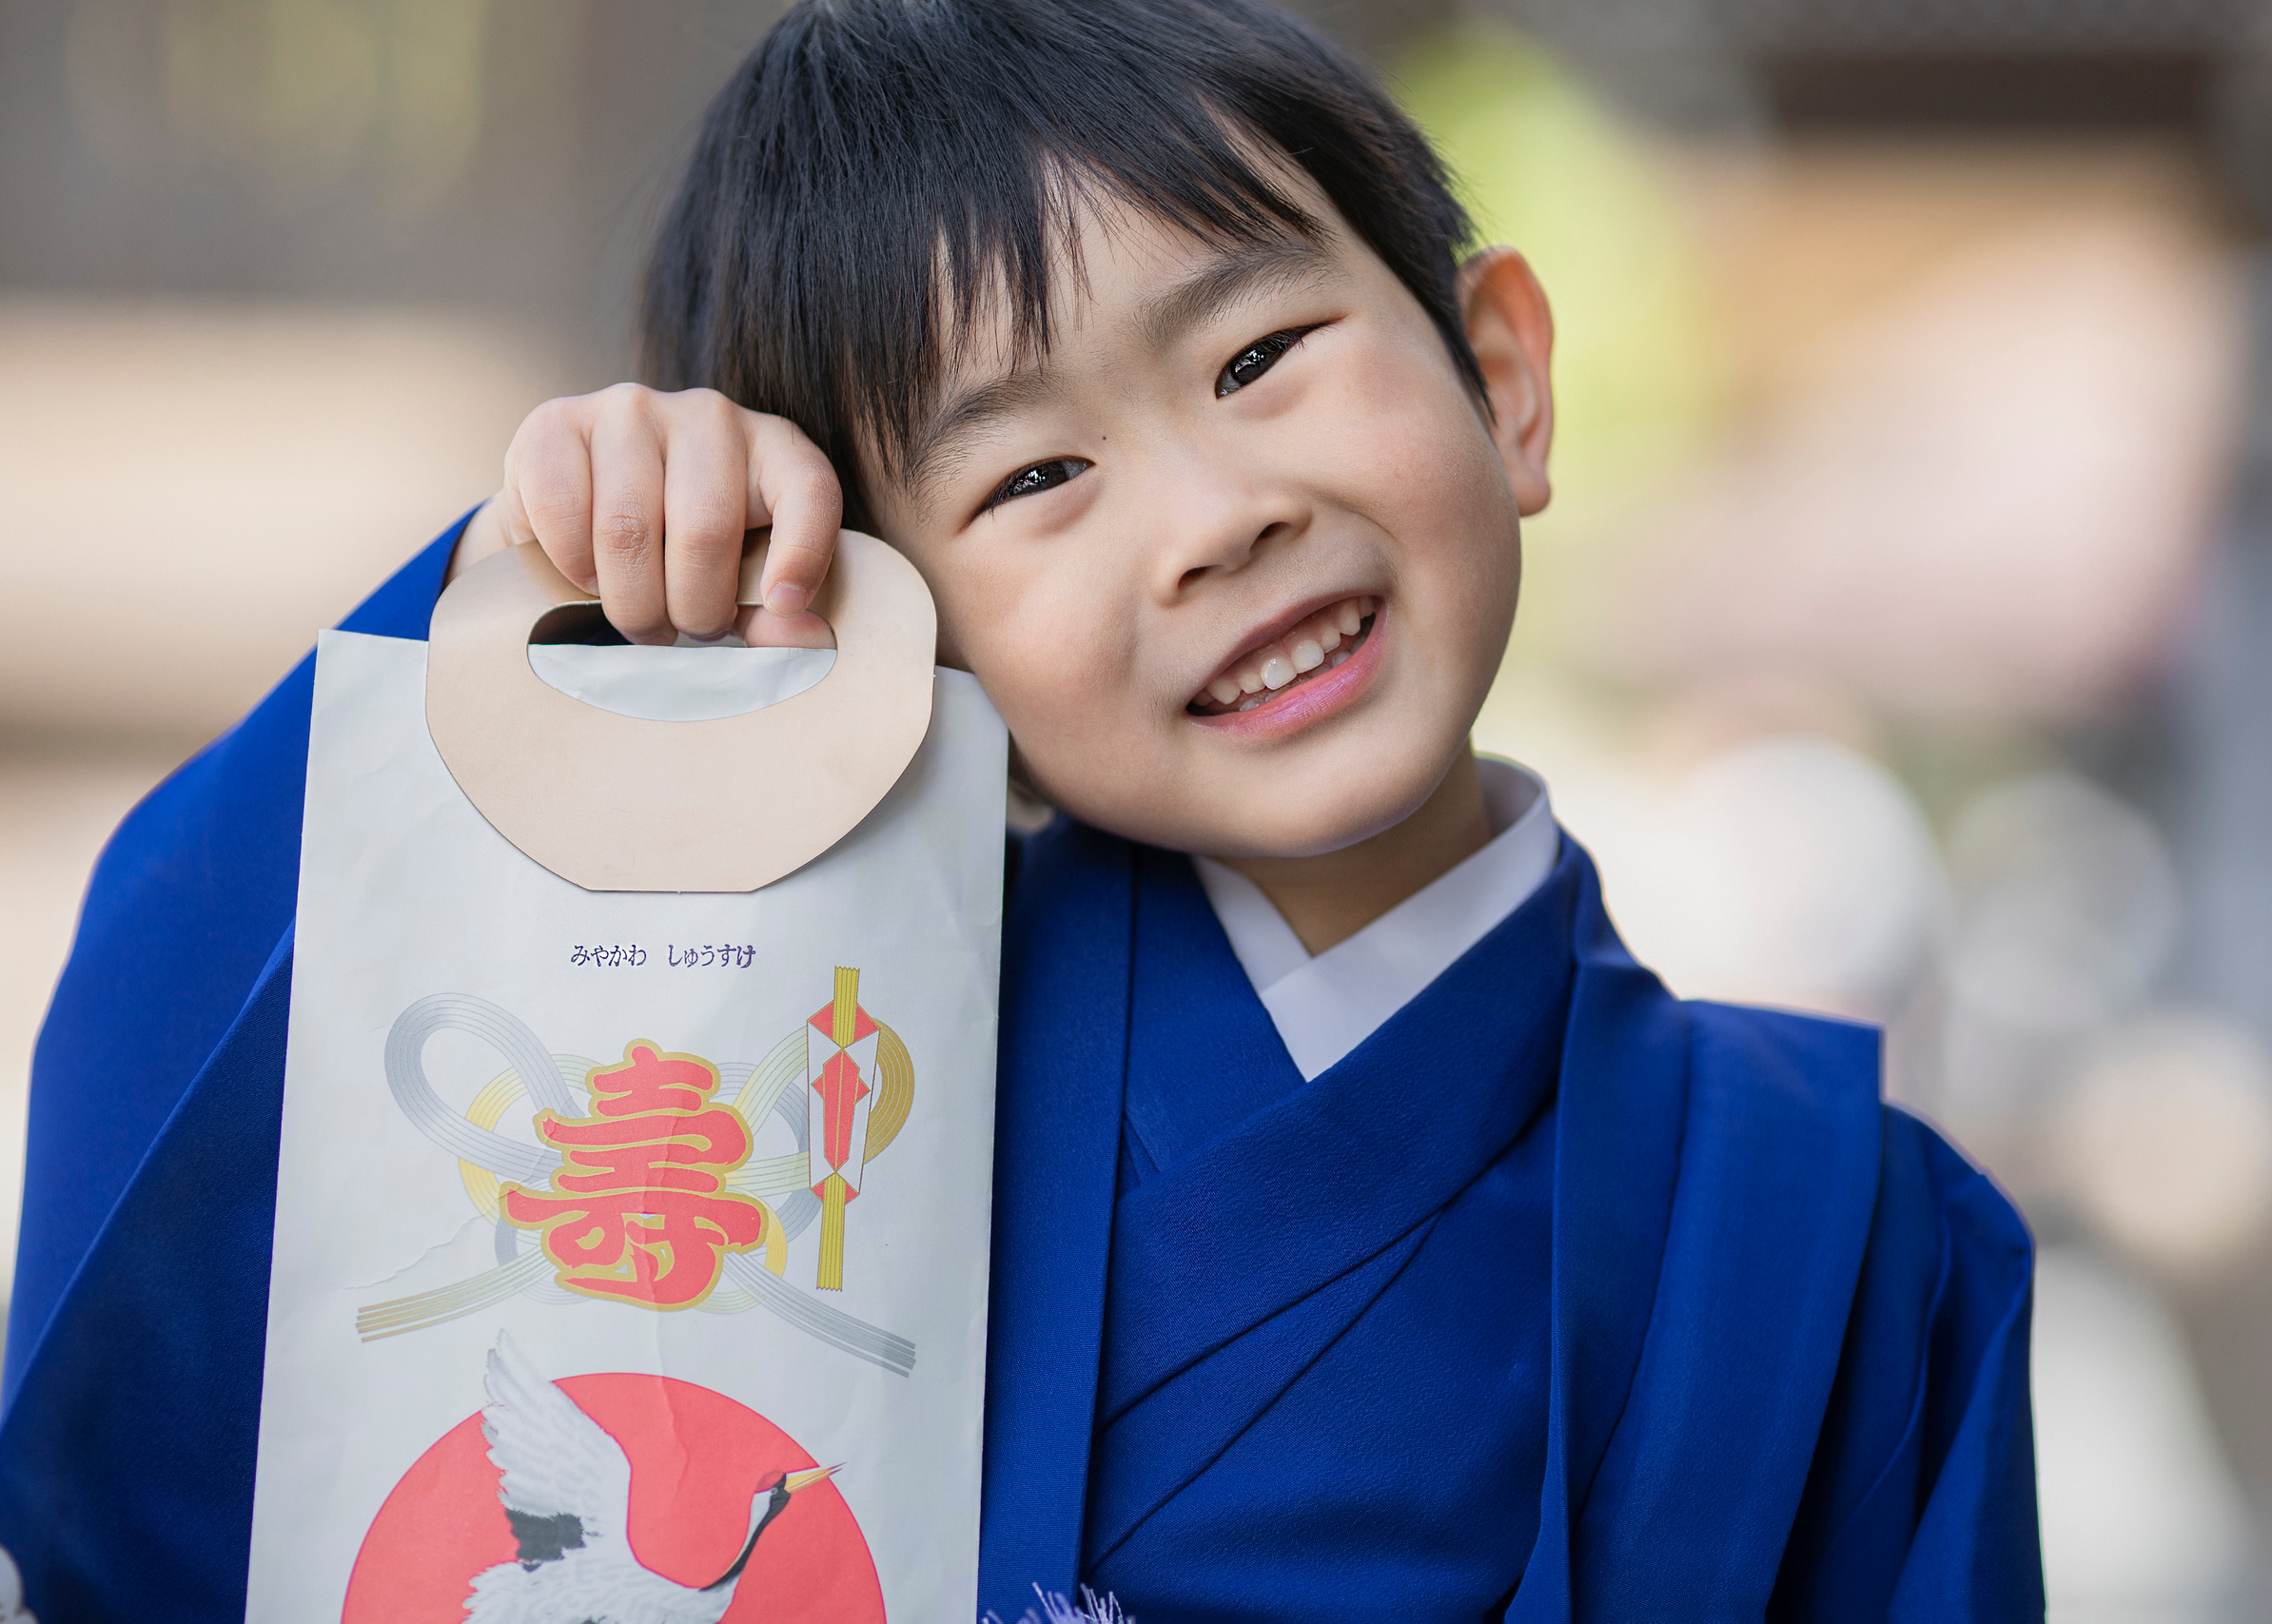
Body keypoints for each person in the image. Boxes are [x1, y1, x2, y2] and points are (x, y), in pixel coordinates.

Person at [0, 1, 2040, 1618]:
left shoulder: (1842, 1236)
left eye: (1256, 353)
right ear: (889, 624)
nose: (1211, 515)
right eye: (1029, 480)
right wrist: (536, 601)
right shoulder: (769, 1098)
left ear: (1499, 371)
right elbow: (166, 1422)